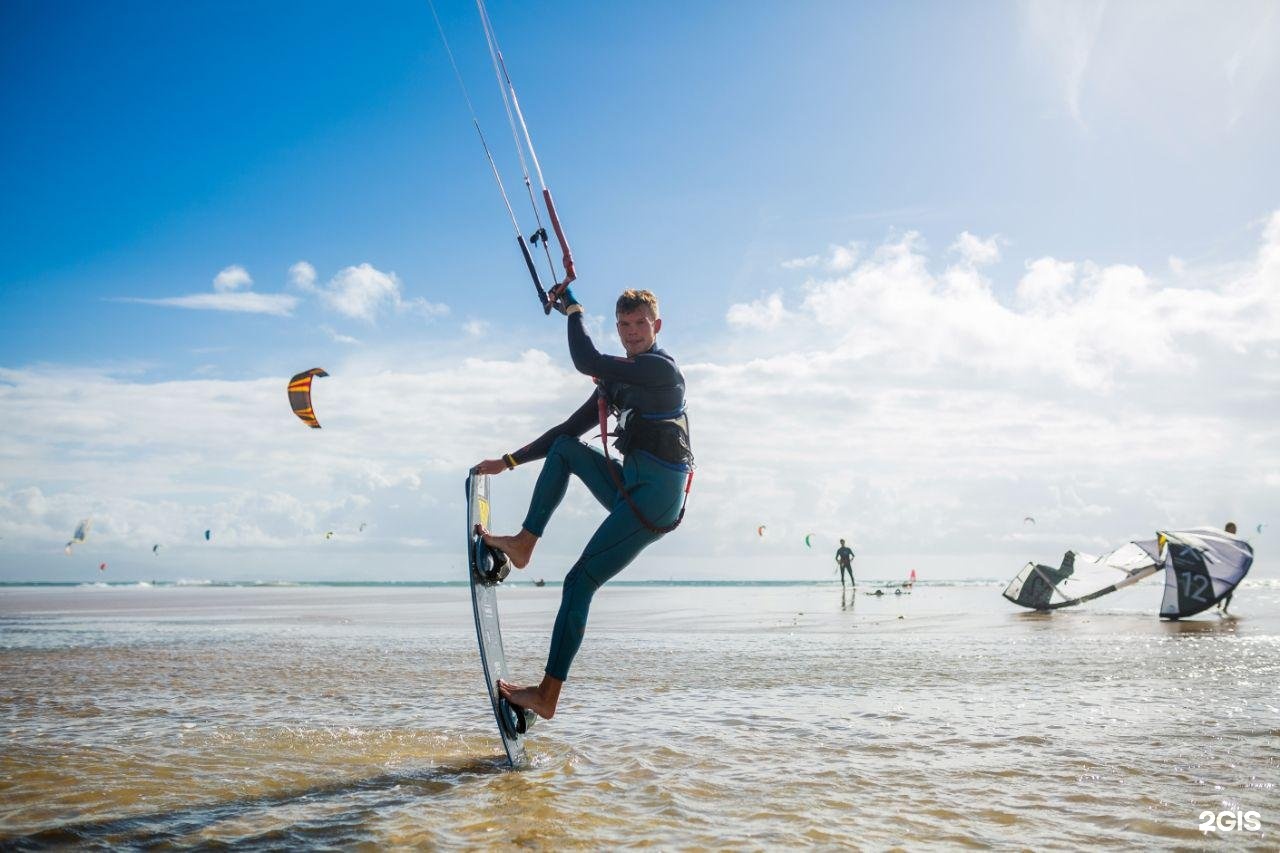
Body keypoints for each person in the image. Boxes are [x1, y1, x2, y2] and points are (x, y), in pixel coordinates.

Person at [472, 287, 693, 720]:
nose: (632, 334)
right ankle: (523, 543)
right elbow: (567, 428)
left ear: (657, 326)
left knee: (578, 582)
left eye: (640, 324)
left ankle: (547, 695)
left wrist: (572, 309)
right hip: (631, 486)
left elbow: (585, 360)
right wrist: (508, 461)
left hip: (655, 499)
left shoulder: (661, 370)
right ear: (618, 327)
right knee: (565, 450)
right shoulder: (619, 381)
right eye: (624, 326)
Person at [1219, 521, 1238, 614]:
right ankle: (1220, 604)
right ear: (1227, 529)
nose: (1235, 531)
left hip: (1230, 569)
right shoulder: (1222, 539)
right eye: (1233, 529)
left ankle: (1224, 608)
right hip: (1222, 568)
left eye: (1235, 529)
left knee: (1229, 591)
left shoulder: (1236, 541)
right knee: (1222, 589)